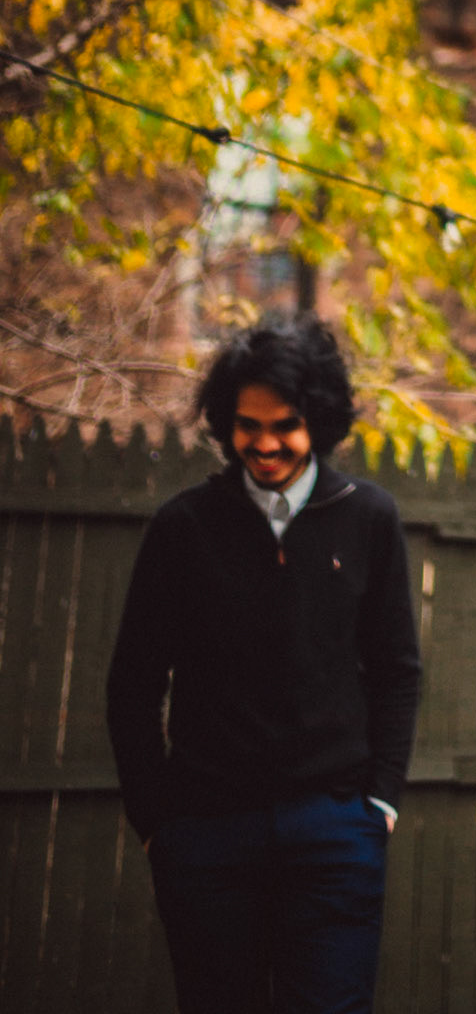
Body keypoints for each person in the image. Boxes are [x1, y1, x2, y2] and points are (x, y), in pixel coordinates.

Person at [106, 313, 421, 1014]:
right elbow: (132, 686)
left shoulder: (369, 518)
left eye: (285, 425)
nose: (266, 443)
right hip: (206, 835)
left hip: (337, 832)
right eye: (248, 425)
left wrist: (380, 805)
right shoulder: (183, 528)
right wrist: (158, 821)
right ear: (225, 423)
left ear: (322, 419)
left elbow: (398, 670)